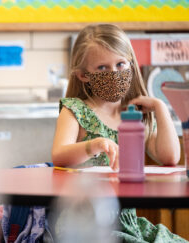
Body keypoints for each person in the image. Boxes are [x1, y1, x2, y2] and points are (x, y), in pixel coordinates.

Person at [52, 24, 185, 242]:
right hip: (84, 221)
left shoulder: (133, 114)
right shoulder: (74, 110)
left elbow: (169, 158)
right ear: (83, 75)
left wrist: (160, 107)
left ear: (131, 64)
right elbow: (59, 155)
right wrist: (93, 145)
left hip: (127, 221)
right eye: (103, 68)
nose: (114, 73)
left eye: (120, 64)